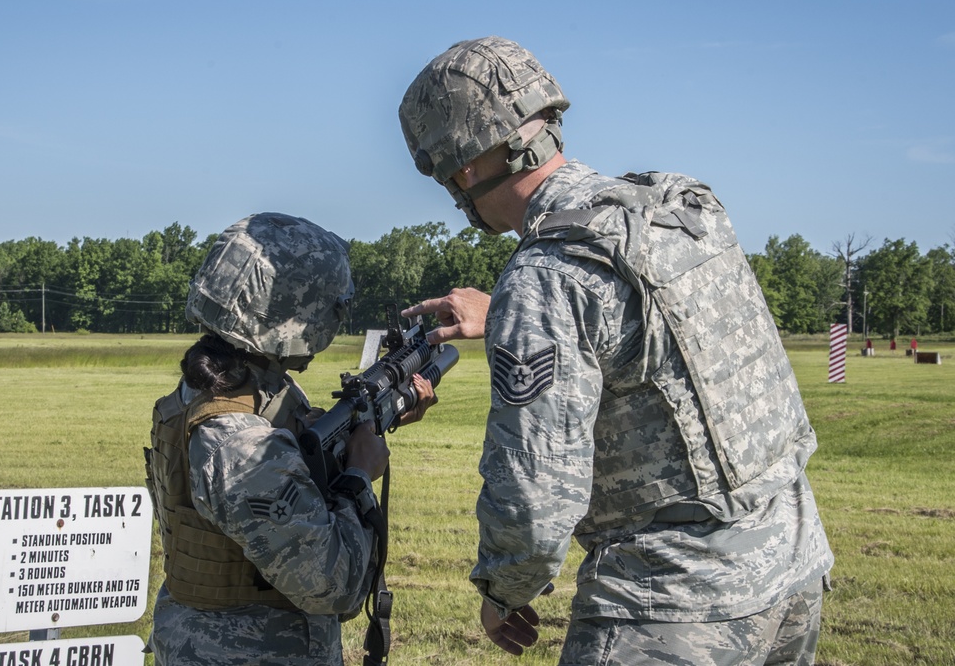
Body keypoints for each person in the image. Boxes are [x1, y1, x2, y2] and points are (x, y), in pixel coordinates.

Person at [398, 37, 834, 665]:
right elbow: (658, 340)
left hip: (673, 603)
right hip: (790, 565)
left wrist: (503, 587)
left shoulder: (548, 274)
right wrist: (509, 318)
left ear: (461, 167)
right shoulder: (677, 206)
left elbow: (535, 492)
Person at [144, 212, 436, 665]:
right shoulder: (238, 442)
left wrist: (369, 425)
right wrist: (359, 474)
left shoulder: (233, 389)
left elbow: (297, 456)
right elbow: (331, 585)